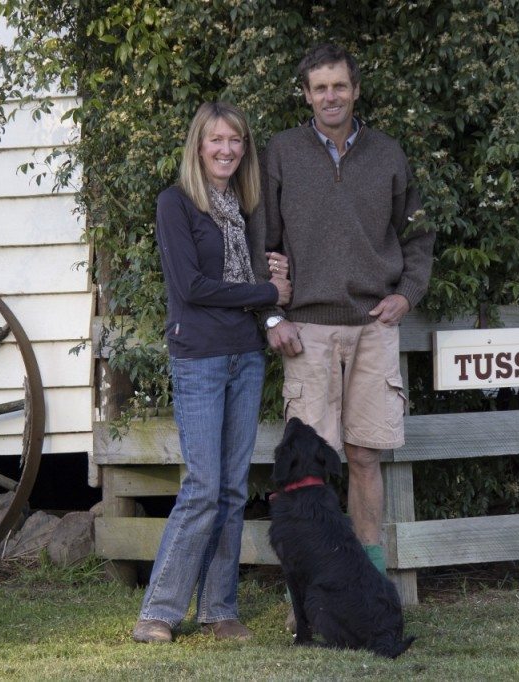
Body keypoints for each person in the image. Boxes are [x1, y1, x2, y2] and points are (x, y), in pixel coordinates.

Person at [251, 44, 436, 579]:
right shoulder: (282, 152)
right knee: (308, 470)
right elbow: (262, 241)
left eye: (339, 86)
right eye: (320, 88)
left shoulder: (388, 154)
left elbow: (418, 233)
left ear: (355, 90)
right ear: (306, 95)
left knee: (365, 457)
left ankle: (369, 582)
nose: (330, 96)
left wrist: (408, 293)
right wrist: (271, 316)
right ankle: (312, 589)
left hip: (373, 326)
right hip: (306, 330)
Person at [132, 102, 291, 644]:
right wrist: (266, 293)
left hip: (245, 354)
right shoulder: (176, 203)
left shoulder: (244, 209)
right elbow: (191, 287)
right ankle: (158, 612)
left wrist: (271, 289)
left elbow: (261, 274)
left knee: (232, 489)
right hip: (198, 356)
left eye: (236, 141)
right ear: (198, 146)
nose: (227, 150)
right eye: (216, 140)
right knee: (202, 486)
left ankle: (220, 610)